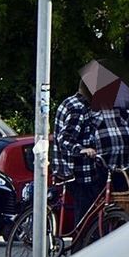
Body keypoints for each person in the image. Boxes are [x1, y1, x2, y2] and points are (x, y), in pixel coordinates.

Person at [52, 81, 102, 223]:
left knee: (83, 211)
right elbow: (65, 139)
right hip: (79, 171)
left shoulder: (69, 102)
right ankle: (82, 244)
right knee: (85, 217)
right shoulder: (78, 108)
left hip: (69, 169)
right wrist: (83, 150)